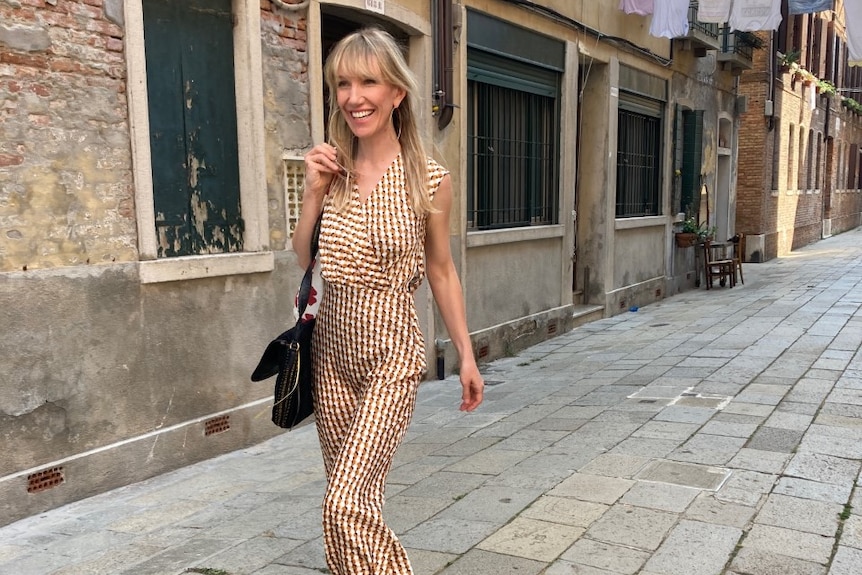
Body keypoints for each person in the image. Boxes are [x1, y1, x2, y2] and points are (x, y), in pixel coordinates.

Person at [291, 27, 484, 575]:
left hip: (392, 347)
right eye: (344, 84)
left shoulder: (430, 179)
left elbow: (442, 271)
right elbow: (305, 256)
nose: (354, 97)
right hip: (331, 350)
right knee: (351, 497)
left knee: (344, 503)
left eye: (369, 82)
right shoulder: (331, 170)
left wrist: (466, 355)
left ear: (396, 92)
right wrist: (310, 193)